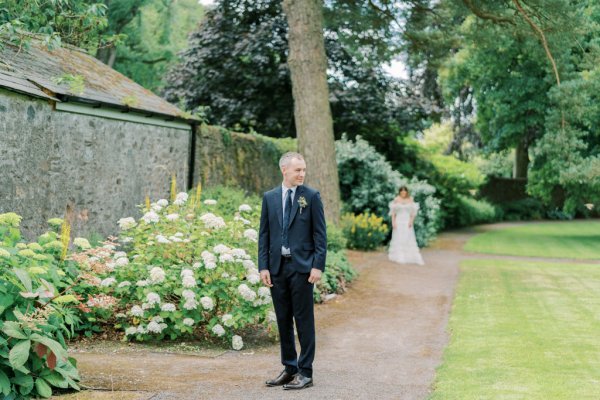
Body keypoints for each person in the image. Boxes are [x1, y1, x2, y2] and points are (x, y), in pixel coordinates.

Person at [258, 152, 327, 390]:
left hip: (302, 269)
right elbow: (264, 234)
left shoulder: (311, 196)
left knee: (303, 320)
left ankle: (305, 372)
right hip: (277, 268)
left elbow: (320, 235)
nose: (302, 174)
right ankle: (289, 367)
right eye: (298, 170)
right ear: (284, 170)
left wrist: (318, 265)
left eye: (304, 170)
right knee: (283, 319)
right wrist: (263, 266)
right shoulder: (270, 198)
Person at [388, 186, 424, 265]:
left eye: (405, 191)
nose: (403, 192)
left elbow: (413, 213)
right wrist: (393, 222)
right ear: (400, 192)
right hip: (399, 221)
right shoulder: (396, 199)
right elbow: (393, 213)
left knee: (408, 237)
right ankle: (399, 256)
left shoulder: (410, 199)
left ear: (407, 192)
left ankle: (410, 256)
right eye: (402, 191)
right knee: (399, 238)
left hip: (407, 221)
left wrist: (411, 221)